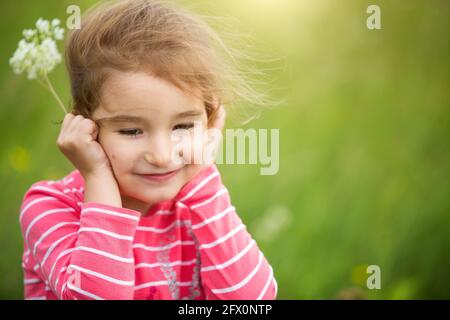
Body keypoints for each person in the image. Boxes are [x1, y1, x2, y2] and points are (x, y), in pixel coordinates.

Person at [19, 0, 277, 300]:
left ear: (209, 119)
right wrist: (98, 177)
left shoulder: (196, 206)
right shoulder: (51, 207)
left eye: (182, 127)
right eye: (131, 131)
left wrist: (202, 171)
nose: (162, 155)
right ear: (86, 126)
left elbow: (251, 302)